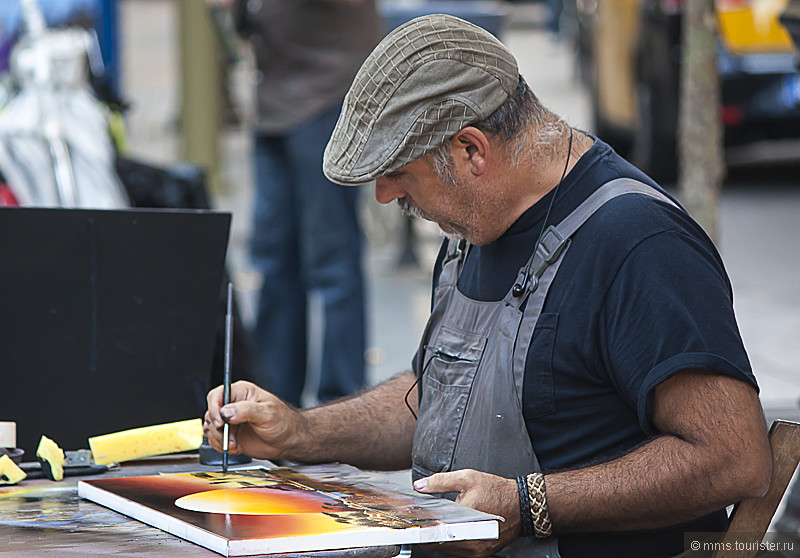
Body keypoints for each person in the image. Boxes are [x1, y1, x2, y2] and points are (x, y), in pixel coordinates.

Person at [205, 14, 771, 558]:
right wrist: (300, 433)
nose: (383, 196)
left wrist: (528, 505)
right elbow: (442, 403)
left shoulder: (640, 244)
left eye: (400, 172)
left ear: (471, 150)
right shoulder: (475, 226)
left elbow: (734, 458)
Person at [228, 0, 382, 405]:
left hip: (325, 94)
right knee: (274, 261)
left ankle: (342, 404)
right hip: (275, 101)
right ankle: (273, 400)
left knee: (332, 261)